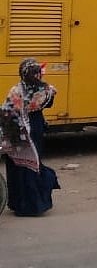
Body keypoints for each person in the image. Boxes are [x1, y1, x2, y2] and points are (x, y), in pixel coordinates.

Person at [0, 58, 60, 216]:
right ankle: (34, 205)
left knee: (17, 165)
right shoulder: (45, 90)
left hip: (16, 130)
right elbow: (49, 103)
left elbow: (6, 112)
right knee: (33, 163)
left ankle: (18, 203)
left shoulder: (16, 90)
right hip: (35, 128)